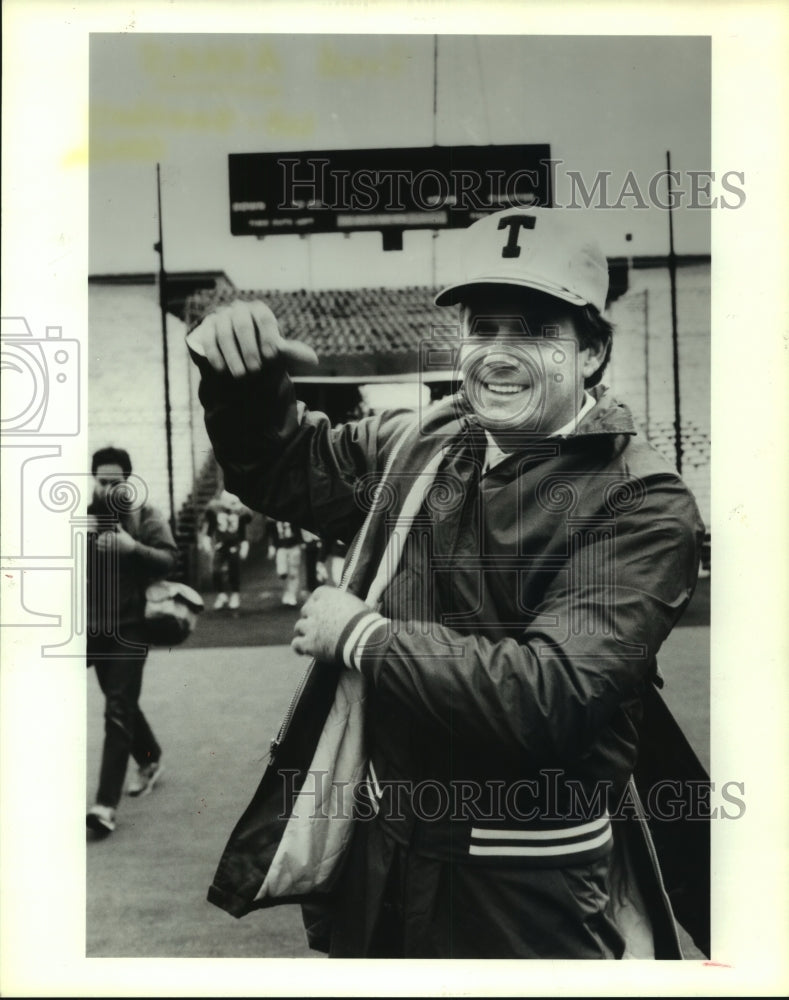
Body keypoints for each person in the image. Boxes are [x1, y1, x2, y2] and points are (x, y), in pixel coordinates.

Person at [187, 207, 706, 958]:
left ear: (590, 352)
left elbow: (550, 696)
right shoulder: (426, 435)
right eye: (481, 328)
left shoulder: (642, 498)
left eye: (530, 330)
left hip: (529, 885)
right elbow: (285, 468)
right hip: (384, 860)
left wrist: (364, 637)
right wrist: (243, 383)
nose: (496, 354)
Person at [86, 447, 178, 836]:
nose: (108, 489)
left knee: (119, 707)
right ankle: (150, 756)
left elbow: (170, 559)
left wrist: (131, 547)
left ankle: (104, 807)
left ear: (128, 480)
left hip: (132, 627)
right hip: (91, 630)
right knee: (118, 701)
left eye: (116, 482)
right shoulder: (82, 515)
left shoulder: (145, 514)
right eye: (101, 481)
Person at [201, 488, 250, 610]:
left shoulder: (241, 514)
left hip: (234, 546)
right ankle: (221, 594)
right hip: (220, 545)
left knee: (234, 569)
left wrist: (244, 545)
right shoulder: (215, 512)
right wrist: (206, 541)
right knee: (215, 571)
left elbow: (243, 533)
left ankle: (235, 594)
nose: (234, 506)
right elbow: (210, 530)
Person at [266, 519, 304, 607]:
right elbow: (271, 534)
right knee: (282, 572)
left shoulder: (293, 517)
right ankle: (286, 591)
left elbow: (298, 529)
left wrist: (301, 542)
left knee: (293, 572)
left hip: (293, 546)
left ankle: (292, 594)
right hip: (281, 548)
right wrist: (271, 547)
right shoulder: (272, 521)